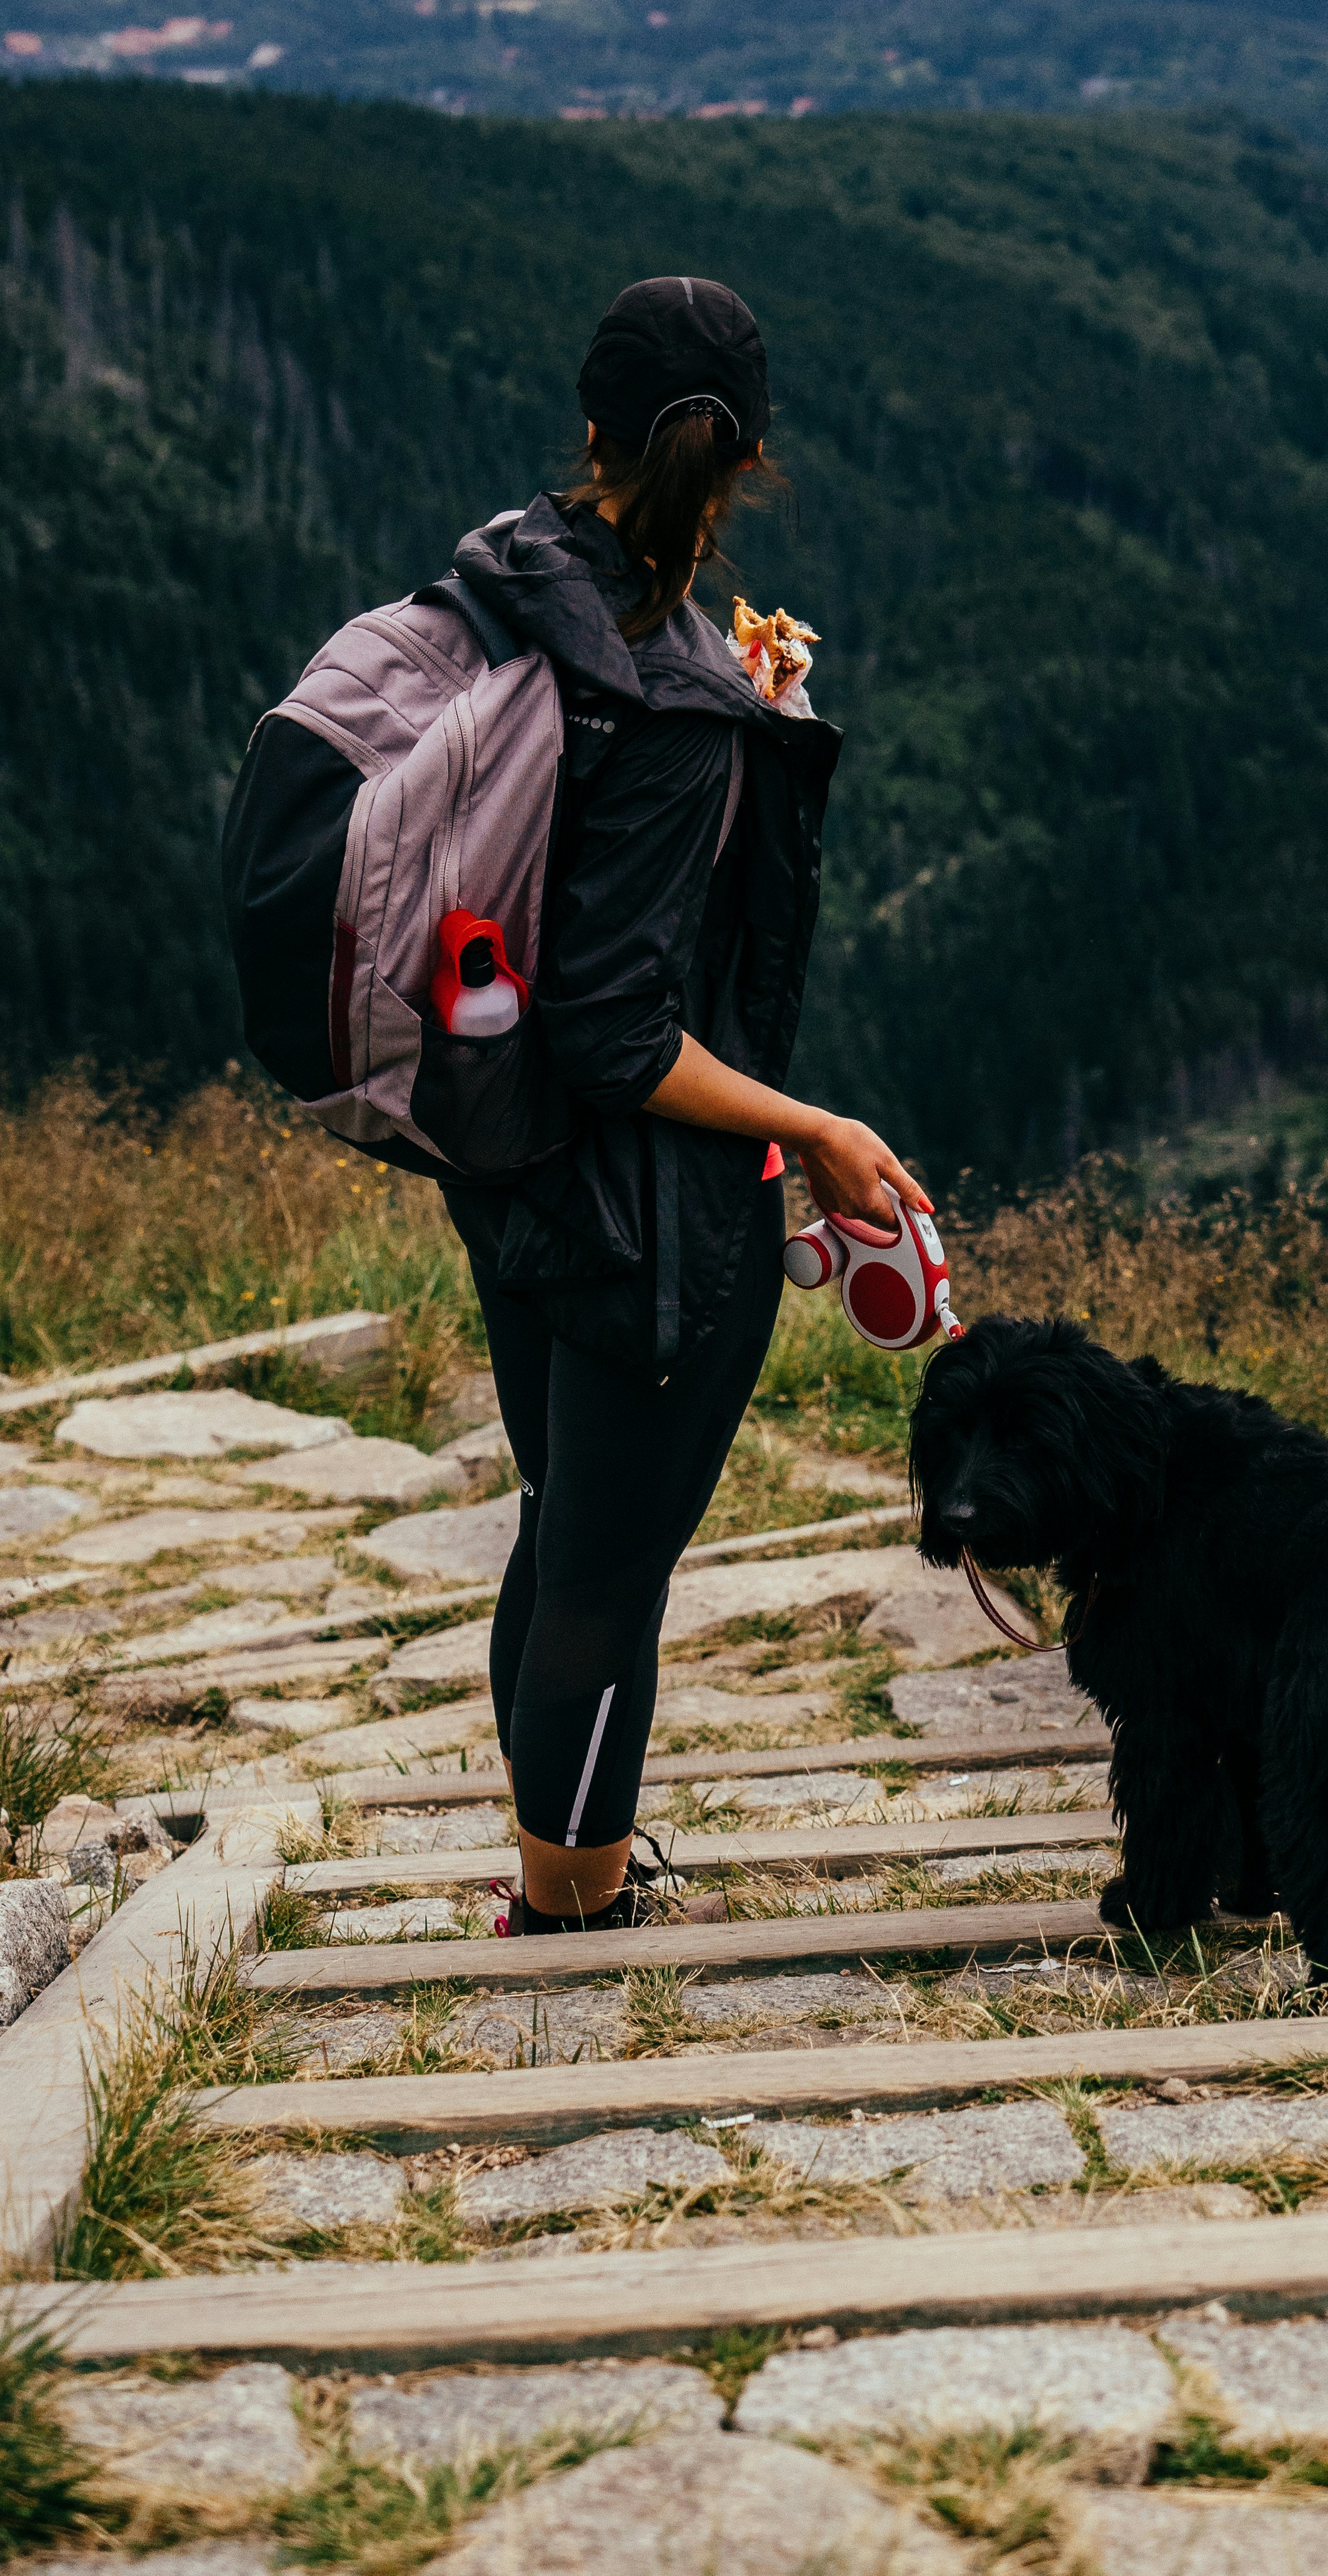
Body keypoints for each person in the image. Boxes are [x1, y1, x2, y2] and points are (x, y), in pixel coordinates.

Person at [439, 273, 925, 1932]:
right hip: (648, 1202)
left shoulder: (519, 586)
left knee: (561, 1516)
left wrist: (752, 704)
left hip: (508, 1165)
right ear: (743, 471)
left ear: (589, 431)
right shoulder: (674, 699)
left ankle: (551, 1865)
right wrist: (814, 1128)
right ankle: (571, 1906)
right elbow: (618, 1024)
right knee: (605, 1570)